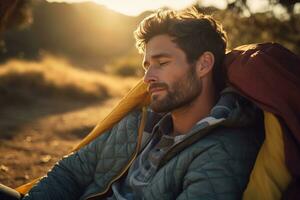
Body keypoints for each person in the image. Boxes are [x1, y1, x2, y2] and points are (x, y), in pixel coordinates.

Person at [3, 8, 264, 200]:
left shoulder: (224, 150)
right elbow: (72, 171)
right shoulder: (139, 120)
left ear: (204, 64)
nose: (148, 77)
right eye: (147, 65)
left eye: (162, 63)